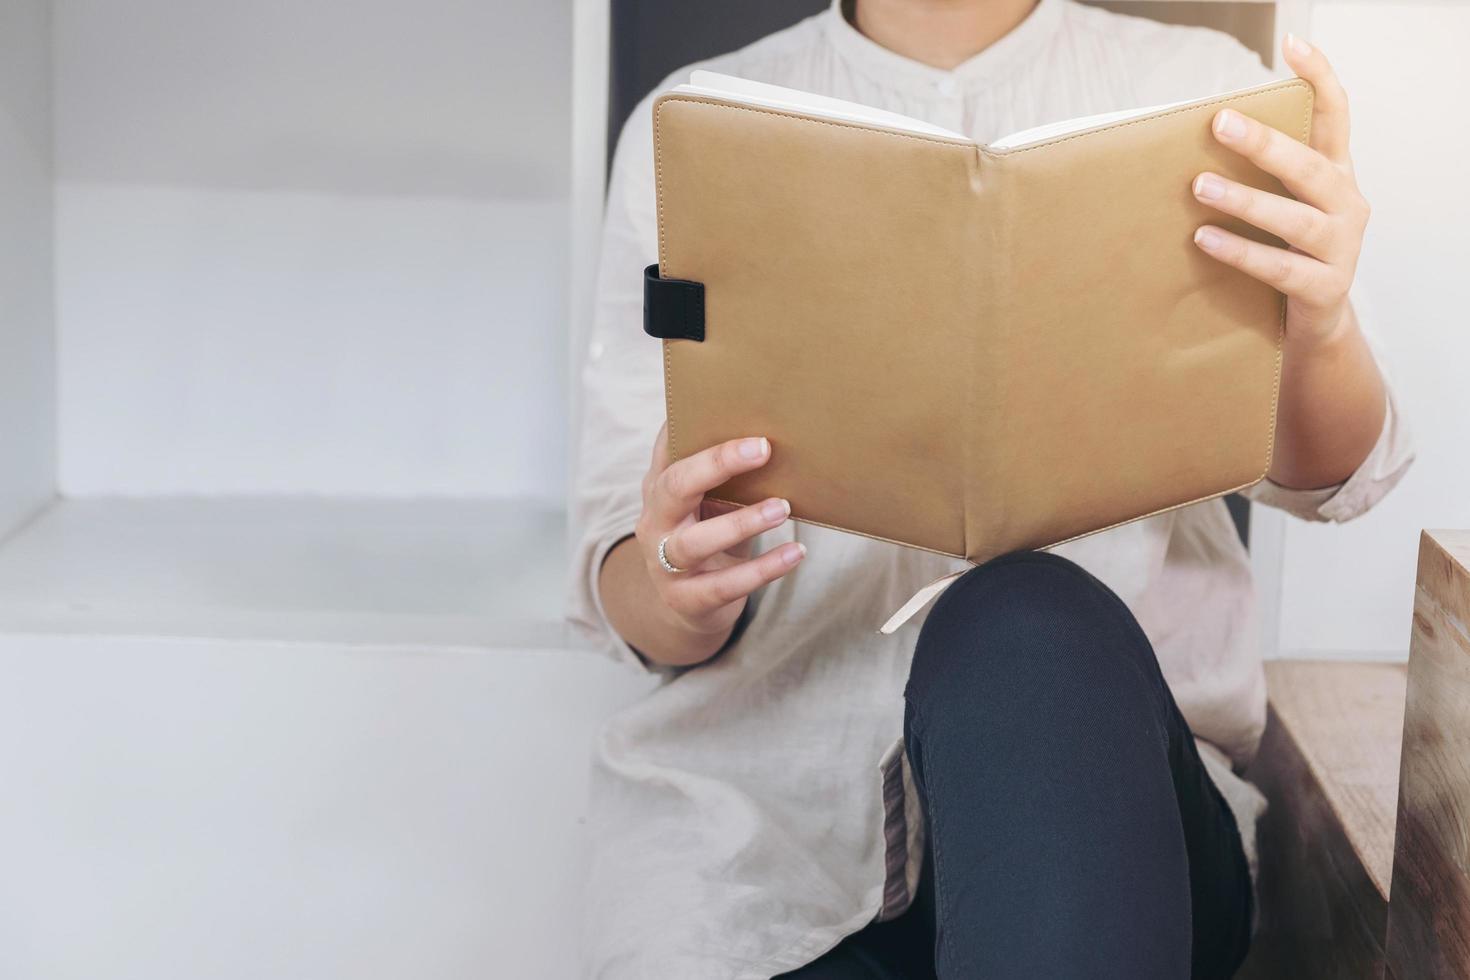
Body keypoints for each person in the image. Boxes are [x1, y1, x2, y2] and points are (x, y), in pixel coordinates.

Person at [569, 1, 1413, 976]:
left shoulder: (1206, 92)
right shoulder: (696, 124)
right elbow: (622, 580)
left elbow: (1338, 474)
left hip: (1103, 817)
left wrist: (1319, 321)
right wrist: (677, 581)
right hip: (755, 851)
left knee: (1023, 617)